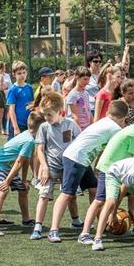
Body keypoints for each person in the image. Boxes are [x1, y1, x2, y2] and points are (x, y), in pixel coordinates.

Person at [77, 104, 134, 244]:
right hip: (112, 170)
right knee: (100, 201)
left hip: (115, 168)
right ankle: (84, 233)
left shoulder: (132, 128)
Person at [46, 101, 127, 243]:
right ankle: (53, 230)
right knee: (66, 194)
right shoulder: (115, 128)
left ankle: (100, 224)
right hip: (76, 158)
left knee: (94, 190)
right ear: (123, 118)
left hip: (81, 158)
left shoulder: (104, 120)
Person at [30, 91, 82, 240]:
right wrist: (44, 167)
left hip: (67, 167)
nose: (47, 118)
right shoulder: (44, 127)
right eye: (45, 115)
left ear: (59, 111)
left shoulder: (71, 124)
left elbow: (80, 142)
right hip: (50, 168)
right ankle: (38, 226)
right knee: (44, 195)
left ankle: (76, 221)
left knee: (70, 195)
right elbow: (39, 149)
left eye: (49, 115)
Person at [0, 112, 44, 236]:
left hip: (7, 167)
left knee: (23, 190)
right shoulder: (29, 140)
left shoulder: (29, 136)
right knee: (3, 190)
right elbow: (18, 162)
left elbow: (25, 160)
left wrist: (24, 181)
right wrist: (7, 181)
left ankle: (26, 220)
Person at [5, 61, 34, 139]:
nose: (22, 75)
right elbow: (11, 109)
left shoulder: (29, 88)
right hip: (17, 124)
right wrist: (16, 128)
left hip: (27, 124)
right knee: (14, 149)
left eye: (24, 72)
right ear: (14, 75)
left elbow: (31, 105)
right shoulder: (13, 89)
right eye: (19, 73)